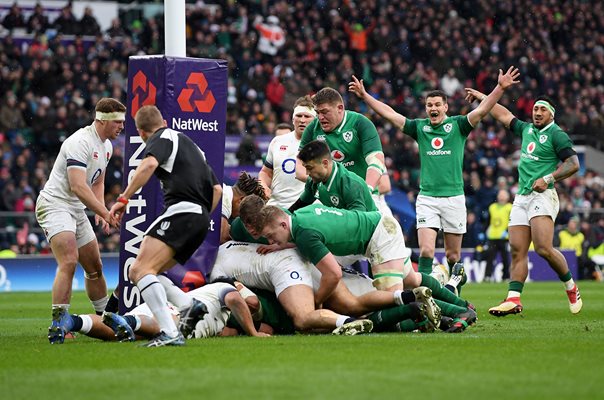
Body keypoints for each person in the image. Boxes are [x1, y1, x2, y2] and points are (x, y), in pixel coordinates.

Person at [348, 66, 521, 295]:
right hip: (427, 198)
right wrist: (365, 96)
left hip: (454, 197)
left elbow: (482, 110)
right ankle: (427, 296)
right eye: (430, 105)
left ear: (446, 107)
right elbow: (390, 114)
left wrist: (499, 88)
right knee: (427, 251)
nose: (433, 108)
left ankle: (453, 292)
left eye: (438, 104)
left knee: (452, 256)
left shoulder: (458, 125)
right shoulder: (420, 128)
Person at [109, 105, 222, 346]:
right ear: (164, 120)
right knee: (149, 271)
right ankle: (188, 305)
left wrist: (123, 199)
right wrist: (201, 216)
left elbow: (149, 165)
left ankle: (170, 333)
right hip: (200, 217)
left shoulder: (161, 137)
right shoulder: (192, 146)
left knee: (139, 271)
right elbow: (217, 189)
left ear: (141, 132)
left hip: (182, 211)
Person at [464, 89, 582, 315]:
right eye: (535, 108)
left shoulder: (557, 134)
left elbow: (573, 164)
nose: (537, 113)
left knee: (543, 248)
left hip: (543, 195)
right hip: (522, 196)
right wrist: (483, 97)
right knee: (517, 250)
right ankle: (513, 299)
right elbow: (503, 115)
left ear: (551, 115)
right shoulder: (527, 129)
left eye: (542, 109)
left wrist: (548, 178)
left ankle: (571, 286)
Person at [258, 203, 473, 323]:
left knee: (391, 302)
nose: (270, 241)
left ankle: (455, 315)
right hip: (382, 225)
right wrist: (282, 245)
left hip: (379, 238)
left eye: (270, 235)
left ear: (283, 224)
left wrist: (317, 301)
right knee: (412, 279)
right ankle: (462, 306)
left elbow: (333, 274)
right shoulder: (299, 217)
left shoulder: (304, 235)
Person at [38, 97, 125, 345]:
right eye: (118, 122)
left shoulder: (106, 146)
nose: (121, 127)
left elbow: (97, 181)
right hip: (55, 204)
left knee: (95, 267)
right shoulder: (79, 142)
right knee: (69, 260)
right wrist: (106, 212)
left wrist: (99, 210)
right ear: (103, 120)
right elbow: (77, 185)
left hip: (75, 207)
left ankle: (104, 320)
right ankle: (59, 322)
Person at [211, 241, 376, 335]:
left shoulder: (215, 270)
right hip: (295, 253)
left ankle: (348, 321)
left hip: (284, 268)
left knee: (304, 319)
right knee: (347, 302)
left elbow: (252, 302)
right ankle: (399, 298)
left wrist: (251, 328)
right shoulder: (230, 242)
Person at [63, 281, 270, 342]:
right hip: (175, 313)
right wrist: (253, 332)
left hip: (153, 312)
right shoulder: (221, 289)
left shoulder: (218, 317)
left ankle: (72, 321)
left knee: (112, 334)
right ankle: (128, 321)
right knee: (167, 325)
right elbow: (237, 299)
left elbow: (219, 330)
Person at [297, 87, 392, 215]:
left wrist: (365, 189)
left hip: (366, 196)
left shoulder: (360, 123)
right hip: (329, 198)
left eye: (325, 112)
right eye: (317, 112)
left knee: (385, 231)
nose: (320, 117)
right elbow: (300, 167)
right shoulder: (312, 129)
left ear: (340, 108)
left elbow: (377, 160)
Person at [289, 139, 377, 213]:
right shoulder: (313, 181)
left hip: (371, 231)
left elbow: (360, 222)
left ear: (325, 163)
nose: (307, 173)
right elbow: (300, 204)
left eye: (310, 168)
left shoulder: (351, 184)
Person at [259, 96, 316, 208]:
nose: (302, 120)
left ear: (315, 120)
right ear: (292, 119)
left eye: (307, 116)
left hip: (307, 209)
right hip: (276, 207)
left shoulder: (321, 144)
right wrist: (264, 186)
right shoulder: (277, 141)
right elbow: (266, 172)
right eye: (299, 116)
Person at [220, 171, 267, 244]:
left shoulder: (223, 189)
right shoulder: (225, 197)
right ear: (242, 200)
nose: (241, 216)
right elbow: (222, 237)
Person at [484, 190, 513, 281]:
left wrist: (507, 231)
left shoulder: (510, 207)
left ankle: (506, 276)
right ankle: (487, 276)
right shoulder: (492, 207)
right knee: (490, 258)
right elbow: (488, 221)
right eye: (500, 195)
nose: (501, 197)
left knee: (505, 258)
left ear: (507, 197)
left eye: (503, 195)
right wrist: (485, 231)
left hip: (504, 237)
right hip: (492, 236)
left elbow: (512, 221)